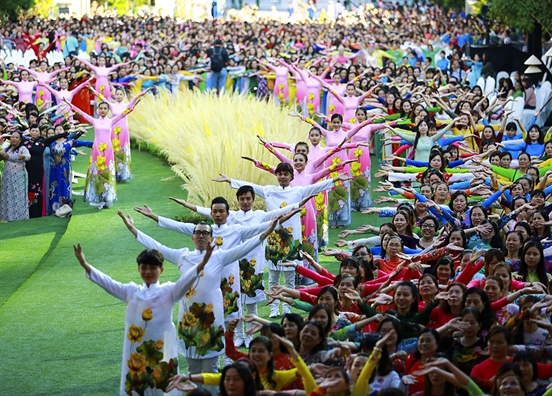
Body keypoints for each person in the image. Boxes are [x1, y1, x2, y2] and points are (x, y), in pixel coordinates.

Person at [118, 210, 281, 395]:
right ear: (192, 237)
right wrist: (133, 229)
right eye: (198, 232)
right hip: (189, 322)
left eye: (205, 233)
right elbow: (157, 246)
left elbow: (245, 247)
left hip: (212, 320)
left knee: (211, 368)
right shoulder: (182, 256)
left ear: (212, 238)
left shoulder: (220, 256)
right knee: (192, 370)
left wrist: (267, 232)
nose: (201, 236)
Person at [72, 243, 213, 396]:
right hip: (137, 348)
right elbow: (108, 282)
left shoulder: (169, 290)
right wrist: (84, 264)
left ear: (161, 270)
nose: (148, 271)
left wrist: (203, 262)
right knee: (138, 381)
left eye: (153, 268)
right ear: (138, 269)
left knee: (164, 383)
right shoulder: (131, 291)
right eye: (144, 267)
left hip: (163, 346)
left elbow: (186, 280)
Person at [213, 163, 350, 318]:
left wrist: (334, 180)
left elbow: (316, 187)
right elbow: (249, 187)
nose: (283, 177)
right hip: (272, 240)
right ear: (276, 176)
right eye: (280, 174)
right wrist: (230, 180)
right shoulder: (268, 191)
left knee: (290, 276)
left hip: (291, 239)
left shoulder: (298, 191)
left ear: (291, 176)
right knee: (273, 276)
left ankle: (286, 306)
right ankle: (273, 308)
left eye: (286, 174)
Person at [0, 131, 31, 221]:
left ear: (20, 140)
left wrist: (23, 156)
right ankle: (6, 217)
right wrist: (1, 154)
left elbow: (28, 156)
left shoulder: (22, 148)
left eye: (16, 137)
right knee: (7, 196)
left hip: (19, 176)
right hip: (7, 176)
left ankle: (20, 217)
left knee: (19, 196)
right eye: (12, 137)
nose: (14, 139)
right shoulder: (6, 148)